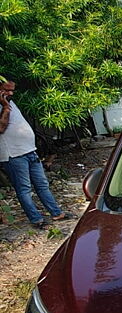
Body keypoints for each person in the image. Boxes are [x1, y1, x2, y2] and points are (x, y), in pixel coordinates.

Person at [0, 79, 74, 228]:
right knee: (24, 189)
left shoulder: (9, 101)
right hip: (14, 154)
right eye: (6, 90)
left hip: (29, 151)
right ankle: (36, 220)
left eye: (12, 90)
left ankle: (56, 213)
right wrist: (6, 108)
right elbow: (1, 128)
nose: (11, 93)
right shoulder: (5, 105)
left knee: (42, 185)